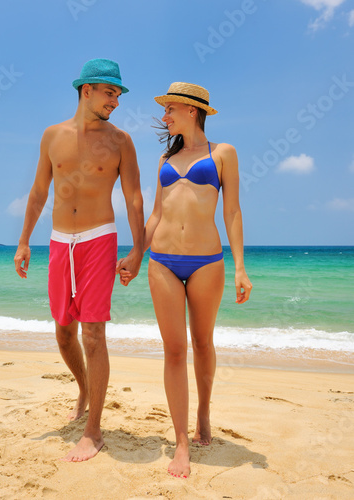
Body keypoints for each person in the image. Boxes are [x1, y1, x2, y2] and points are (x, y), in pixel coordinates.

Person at [14, 58, 144, 462]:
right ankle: (85, 388)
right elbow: (38, 192)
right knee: (64, 333)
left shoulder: (121, 141)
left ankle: (94, 429)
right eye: (110, 92)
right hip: (58, 242)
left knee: (93, 334)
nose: (116, 100)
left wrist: (139, 250)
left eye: (119, 94)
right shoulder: (52, 136)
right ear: (86, 89)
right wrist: (23, 242)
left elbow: (134, 198)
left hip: (98, 238)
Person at [130, 82, 252, 478]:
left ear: (192, 111)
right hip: (162, 260)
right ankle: (181, 441)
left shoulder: (223, 154)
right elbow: (155, 215)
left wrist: (240, 266)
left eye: (170, 108)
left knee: (202, 342)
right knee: (174, 350)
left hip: (206, 262)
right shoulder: (166, 158)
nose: (164, 115)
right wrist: (136, 253)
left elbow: (232, 212)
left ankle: (203, 413)